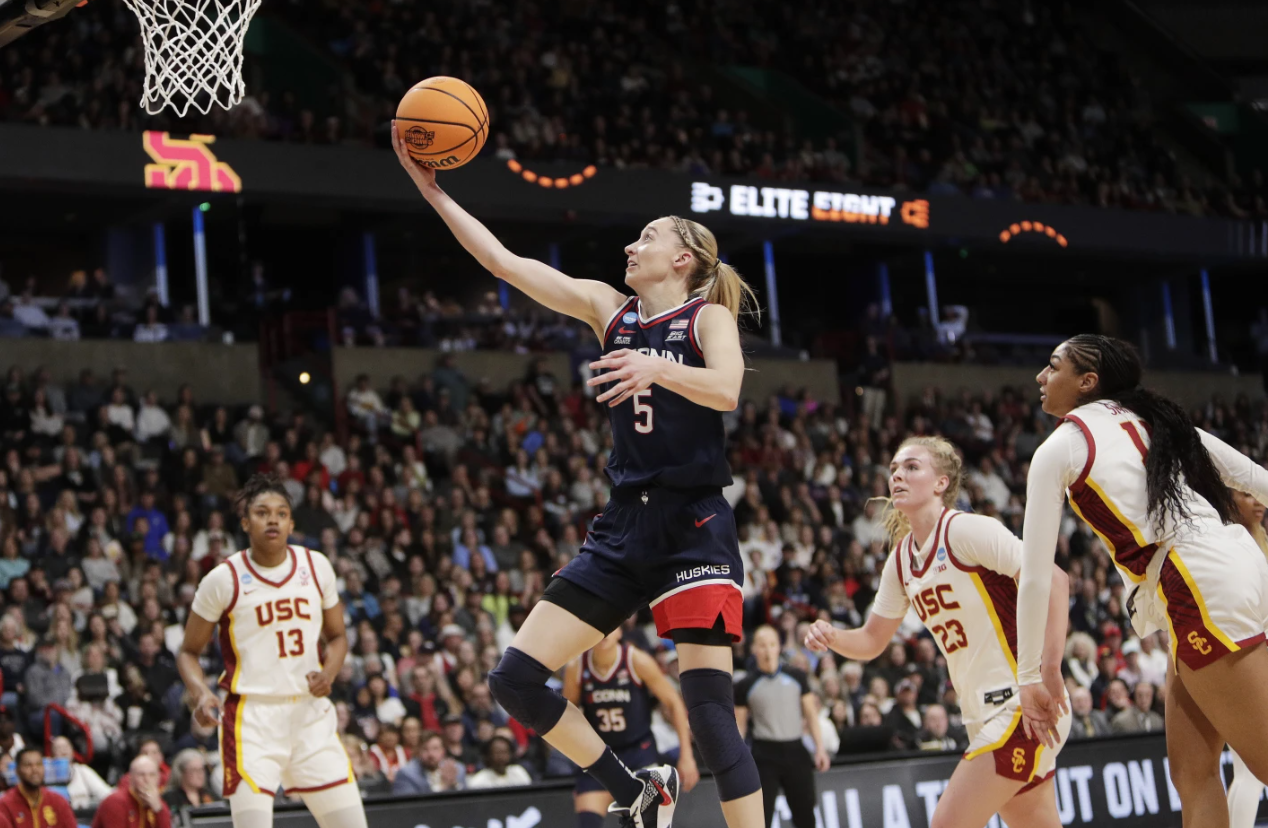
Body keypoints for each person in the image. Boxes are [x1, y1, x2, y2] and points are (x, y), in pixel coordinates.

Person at [394, 123, 763, 828]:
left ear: (682, 258)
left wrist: (657, 367)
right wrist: (434, 192)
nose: (631, 245)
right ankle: (638, 788)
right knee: (515, 680)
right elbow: (505, 263)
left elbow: (727, 391)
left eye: (646, 237)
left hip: (694, 524)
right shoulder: (608, 309)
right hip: (625, 524)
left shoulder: (706, 317)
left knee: (711, 715)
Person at [1017, 334, 1268, 828]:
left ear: (1087, 382)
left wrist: (1029, 674)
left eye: (1053, 367)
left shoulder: (1062, 446)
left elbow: (1036, 576)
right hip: (1232, 564)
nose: (1040, 377)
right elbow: (1258, 478)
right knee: (1192, 772)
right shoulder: (1161, 418)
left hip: (1196, 582)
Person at [806, 436, 1072, 828]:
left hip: (1022, 703)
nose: (898, 474)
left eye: (912, 467)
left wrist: (1049, 669)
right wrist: (833, 637)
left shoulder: (965, 531)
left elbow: (1055, 579)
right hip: (979, 714)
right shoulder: (900, 562)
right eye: (894, 468)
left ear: (941, 483)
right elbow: (872, 640)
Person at [176, 474, 366, 828]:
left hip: (310, 715)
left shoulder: (316, 566)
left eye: (281, 513)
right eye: (263, 513)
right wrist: (200, 693)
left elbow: (338, 637)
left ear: (292, 522)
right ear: (246, 522)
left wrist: (329, 673)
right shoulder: (224, 578)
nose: (273, 519)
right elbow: (188, 651)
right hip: (252, 719)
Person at [564, 628, 700, 828]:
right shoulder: (577, 667)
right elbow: (567, 716)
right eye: (598, 626)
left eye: (610, 626)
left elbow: (673, 702)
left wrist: (686, 755)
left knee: (649, 822)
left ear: (619, 632)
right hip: (598, 754)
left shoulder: (636, 660)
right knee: (588, 822)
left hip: (639, 751)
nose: (604, 632)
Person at [735, 626, 829, 828]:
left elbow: (811, 715)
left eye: (771, 644)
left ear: (779, 647)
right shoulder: (745, 685)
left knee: (805, 814)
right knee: (762, 817)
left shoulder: (797, 677)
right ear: (754, 649)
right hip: (764, 755)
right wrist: (737, 762)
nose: (768, 650)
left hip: (796, 751)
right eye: (762, 645)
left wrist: (820, 748)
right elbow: (739, 728)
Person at [1226, 485, 1268, 828]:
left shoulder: (1261, 536)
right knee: (1248, 769)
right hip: (1242, 657)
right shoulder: (1230, 540)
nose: (1258, 502)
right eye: (1248, 495)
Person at [0, 747, 77, 828]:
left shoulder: (58, 801)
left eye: (39, 764)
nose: (35, 770)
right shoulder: (5, 804)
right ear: (17, 770)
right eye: (28, 765)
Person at [92, 754, 171, 828]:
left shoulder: (158, 804)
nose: (147, 780)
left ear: (158, 778)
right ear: (130, 778)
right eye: (141, 774)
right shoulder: (115, 802)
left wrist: (158, 809)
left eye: (152, 775)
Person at [392, 730, 466, 795]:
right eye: (425, 749)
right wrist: (444, 786)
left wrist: (455, 784)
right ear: (418, 752)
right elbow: (409, 808)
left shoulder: (457, 769)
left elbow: (467, 802)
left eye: (435, 748)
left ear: (443, 751)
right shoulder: (406, 775)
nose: (431, 754)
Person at [52, 734, 111, 809]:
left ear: (72, 751)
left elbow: (105, 792)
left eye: (66, 746)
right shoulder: (47, 776)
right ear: (52, 754)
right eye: (58, 748)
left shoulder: (83, 770)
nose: (63, 750)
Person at [163, 748, 218, 815]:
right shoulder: (170, 797)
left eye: (201, 769)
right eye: (194, 770)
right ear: (181, 772)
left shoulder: (210, 794)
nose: (200, 774)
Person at [465, 734, 532, 789]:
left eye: (505, 752)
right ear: (488, 756)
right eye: (497, 753)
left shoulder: (518, 771)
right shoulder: (478, 781)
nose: (501, 757)